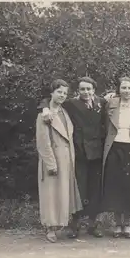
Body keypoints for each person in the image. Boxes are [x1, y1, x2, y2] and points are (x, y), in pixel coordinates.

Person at [39, 76, 107, 239]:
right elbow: (50, 100)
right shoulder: (71, 104)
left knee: (95, 190)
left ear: (94, 90)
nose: (86, 92)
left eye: (89, 89)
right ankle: (74, 224)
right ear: (78, 91)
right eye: (82, 89)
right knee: (78, 189)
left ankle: (93, 223)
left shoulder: (102, 102)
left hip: (97, 153)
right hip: (79, 153)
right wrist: (44, 108)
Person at [35, 79, 83, 243]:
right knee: (51, 195)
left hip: (67, 159)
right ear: (52, 93)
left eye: (64, 93)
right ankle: (50, 228)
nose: (62, 95)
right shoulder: (44, 115)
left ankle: (60, 225)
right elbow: (43, 143)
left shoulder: (64, 112)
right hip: (53, 159)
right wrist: (51, 164)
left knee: (62, 194)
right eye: (59, 92)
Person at [100, 77, 130, 239]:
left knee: (128, 186)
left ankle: (127, 224)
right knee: (115, 186)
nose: (127, 91)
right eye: (124, 88)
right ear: (118, 89)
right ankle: (117, 224)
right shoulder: (110, 103)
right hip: (114, 148)